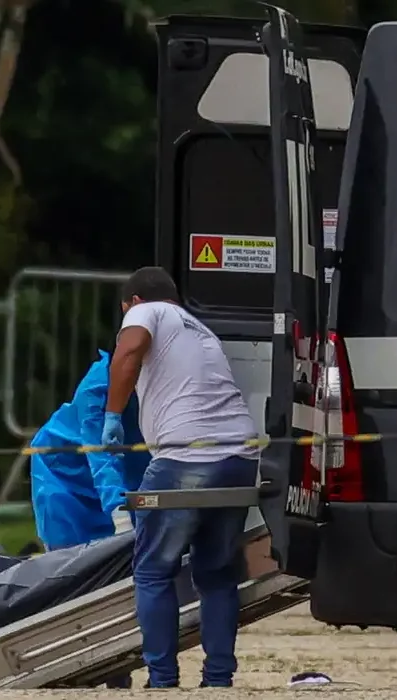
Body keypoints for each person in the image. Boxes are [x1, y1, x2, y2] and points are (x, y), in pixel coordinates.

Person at [102, 266, 259, 689]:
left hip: (186, 457)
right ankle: (218, 681)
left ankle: (163, 680)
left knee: (153, 570)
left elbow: (130, 351)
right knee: (217, 574)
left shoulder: (144, 312)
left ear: (133, 301)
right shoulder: (200, 329)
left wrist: (113, 415)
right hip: (241, 458)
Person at [30, 349, 149, 689]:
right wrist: (120, 511)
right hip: (64, 482)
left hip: (126, 481)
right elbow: (100, 454)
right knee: (72, 576)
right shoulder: (97, 386)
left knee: (122, 581)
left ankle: (114, 665)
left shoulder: (162, 377)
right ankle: (70, 666)